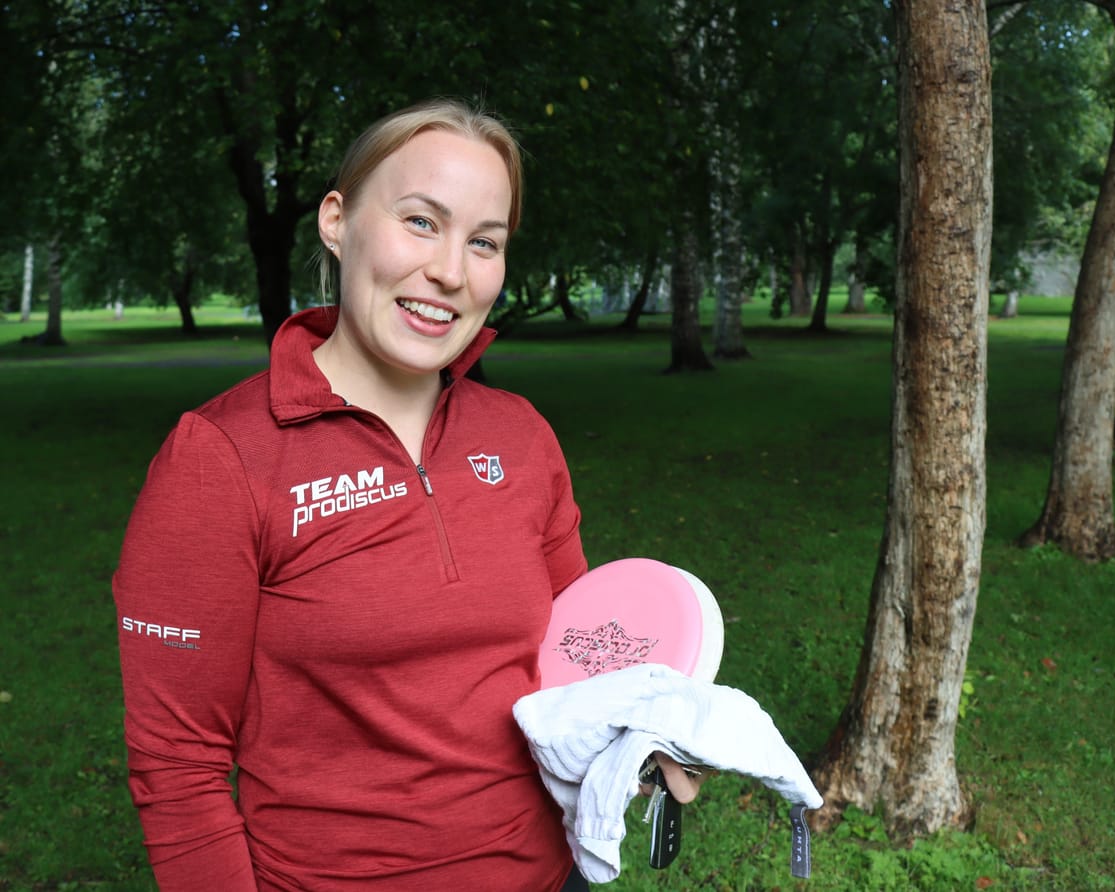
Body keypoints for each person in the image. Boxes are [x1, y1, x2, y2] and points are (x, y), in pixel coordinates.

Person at [113, 99, 698, 892]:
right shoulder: (219, 458)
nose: (451, 272)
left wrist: (649, 735)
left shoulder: (522, 437)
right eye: (421, 221)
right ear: (336, 220)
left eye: (483, 242)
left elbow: (576, 670)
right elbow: (177, 764)